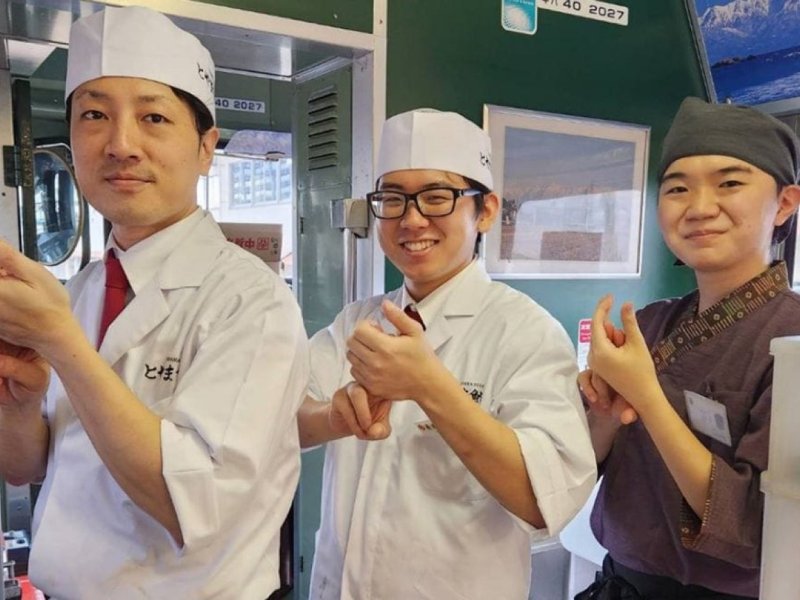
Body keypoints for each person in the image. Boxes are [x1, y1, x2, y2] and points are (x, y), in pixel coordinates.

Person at [0, 6, 308, 598]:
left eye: (154, 117)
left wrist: (62, 343)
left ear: (206, 148)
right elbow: (26, 468)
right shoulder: (82, 290)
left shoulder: (252, 302)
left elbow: (190, 503)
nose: (121, 144)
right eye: (94, 115)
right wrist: (20, 403)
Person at [297, 108, 596, 599]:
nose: (412, 219)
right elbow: (282, 421)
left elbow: (542, 500)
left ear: (486, 211)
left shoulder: (525, 332)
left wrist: (431, 388)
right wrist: (335, 417)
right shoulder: (358, 321)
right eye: (393, 199)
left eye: (437, 197)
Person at [577, 97, 800, 600]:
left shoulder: (794, 343)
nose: (699, 208)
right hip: (618, 583)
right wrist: (606, 411)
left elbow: (756, 528)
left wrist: (647, 397)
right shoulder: (650, 324)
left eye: (730, 184)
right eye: (677, 188)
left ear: (785, 203)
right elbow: (584, 466)